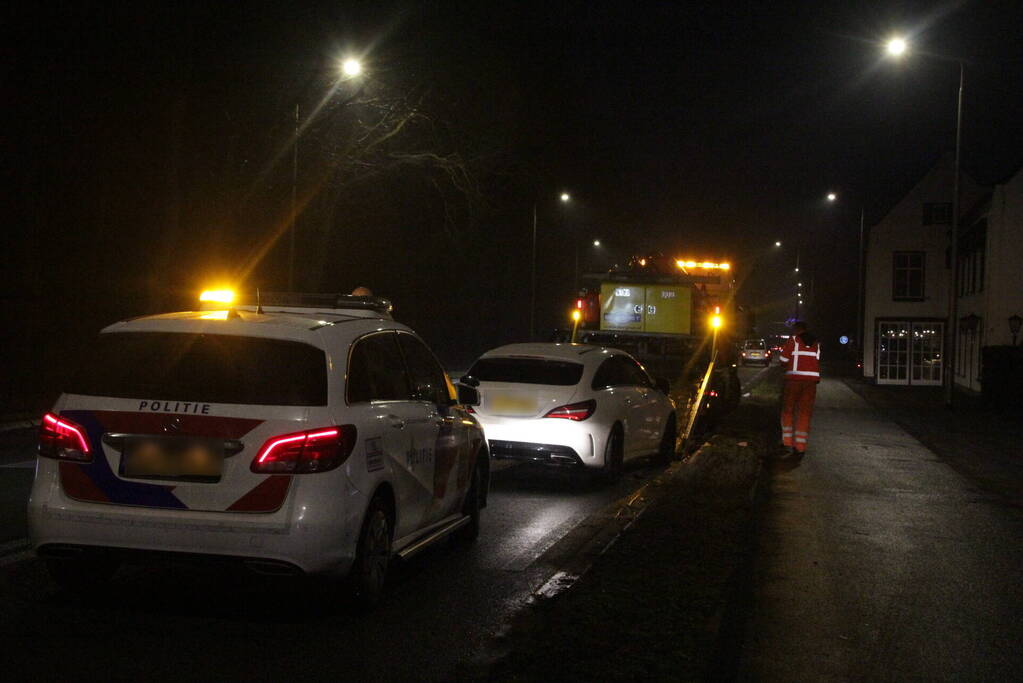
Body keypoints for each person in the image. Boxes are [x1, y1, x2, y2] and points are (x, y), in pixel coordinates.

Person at [778, 321, 820, 457]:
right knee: (804, 413)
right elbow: (817, 359)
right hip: (811, 383)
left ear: (797, 330)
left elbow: (783, 360)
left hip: (793, 381)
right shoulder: (816, 343)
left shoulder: (794, 340)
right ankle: (800, 447)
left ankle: (787, 442)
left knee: (788, 411)